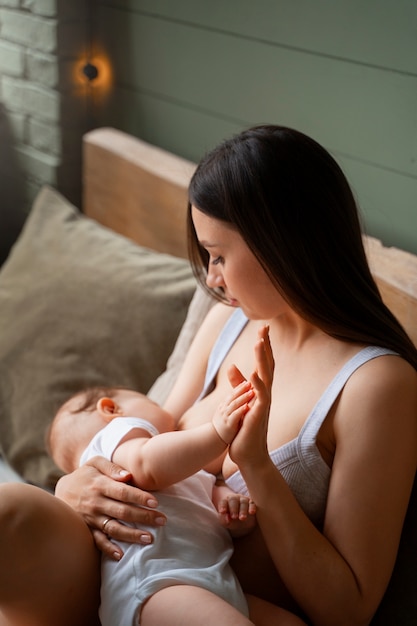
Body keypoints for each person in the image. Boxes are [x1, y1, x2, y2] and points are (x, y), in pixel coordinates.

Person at [1, 124, 417, 626]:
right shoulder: (229, 318)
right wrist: (76, 486)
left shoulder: (374, 384)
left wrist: (257, 467)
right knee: (12, 514)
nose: (212, 278)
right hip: (118, 568)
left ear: (280, 241)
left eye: (219, 255)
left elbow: (348, 609)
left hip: (204, 600)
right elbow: (153, 437)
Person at [46, 382, 278, 626]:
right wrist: (216, 433)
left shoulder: (187, 470)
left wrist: (233, 507)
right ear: (111, 409)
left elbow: (212, 500)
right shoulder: (115, 438)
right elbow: (147, 466)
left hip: (212, 580)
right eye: (153, 403)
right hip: (156, 585)